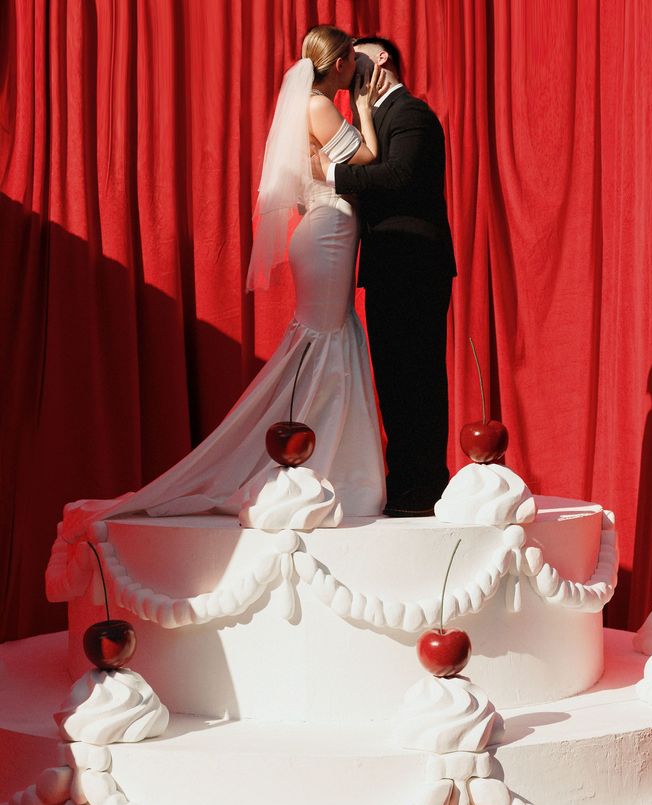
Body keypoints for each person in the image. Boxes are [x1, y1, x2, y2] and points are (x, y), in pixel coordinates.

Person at [57, 25, 388, 541]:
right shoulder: (320, 107)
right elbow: (367, 161)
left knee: (328, 341)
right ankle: (319, 465)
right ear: (343, 63)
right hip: (328, 233)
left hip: (323, 230)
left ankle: (329, 463)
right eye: (355, 64)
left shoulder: (308, 106)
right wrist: (365, 109)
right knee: (326, 342)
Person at [314, 36, 456, 518]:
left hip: (415, 267)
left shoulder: (411, 113)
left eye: (357, 56)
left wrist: (327, 175)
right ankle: (408, 486)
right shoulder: (371, 118)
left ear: (380, 62)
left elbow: (398, 178)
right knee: (395, 379)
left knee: (417, 377)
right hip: (392, 267)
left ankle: (424, 488)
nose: (348, 63)